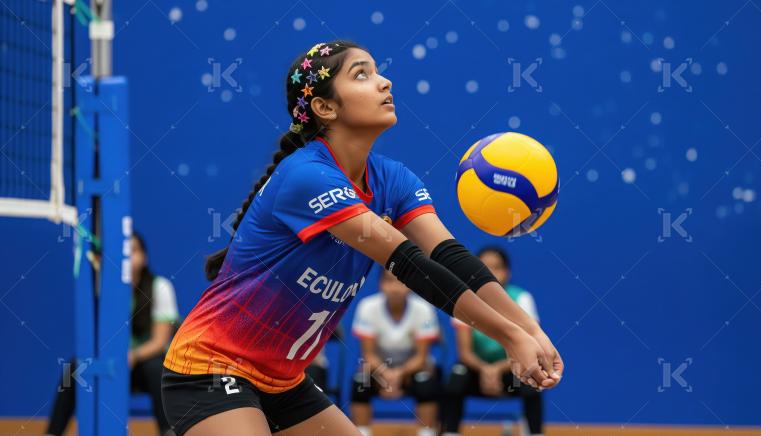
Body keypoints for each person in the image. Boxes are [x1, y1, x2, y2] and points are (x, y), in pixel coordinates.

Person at [161, 40, 563, 436]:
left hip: (282, 381)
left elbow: (448, 255)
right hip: (211, 368)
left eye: (378, 70)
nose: (385, 82)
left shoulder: (393, 179)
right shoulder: (309, 177)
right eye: (362, 74)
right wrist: (511, 337)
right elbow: (408, 263)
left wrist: (530, 330)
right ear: (325, 107)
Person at [45, 233, 179, 436]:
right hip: (113, 362)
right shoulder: (104, 288)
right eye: (122, 251)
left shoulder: (160, 287)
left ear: (144, 257)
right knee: (75, 367)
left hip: (143, 364)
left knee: (156, 368)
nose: (127, 256)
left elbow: (159, 341)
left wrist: (133, 356)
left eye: (133, 250)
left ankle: (168, 431)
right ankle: (52, 432)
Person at [441, 246, 544, 436]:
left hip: (511, 370)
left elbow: (529, 348)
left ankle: (535, 432)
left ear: (507, 272)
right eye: (483, 267)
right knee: (455, 379)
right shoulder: (463, 299)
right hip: (476, 371)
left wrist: (496, 369)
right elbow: (464, 353)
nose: (490, 273)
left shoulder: (522, 298)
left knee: (533, 378)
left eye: (496, 268)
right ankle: (450, 432)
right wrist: (485, 370)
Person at [351, 270, 440, 436]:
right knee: (360, 382)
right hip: (378, 369)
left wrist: (398, 374)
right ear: (380, 284)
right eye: (389, 281)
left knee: (426, 382)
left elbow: (421, 357)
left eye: (401, 282)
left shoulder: (423, 309)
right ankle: (362, 432)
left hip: (412, 370)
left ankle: (427, 433)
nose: (395, 287)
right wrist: (385, 374)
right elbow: (368, 355)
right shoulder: (367, 307)